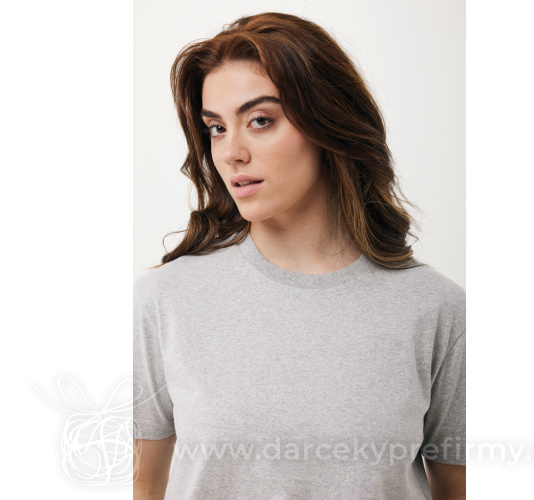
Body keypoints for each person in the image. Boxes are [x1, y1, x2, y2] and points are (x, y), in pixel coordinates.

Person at [133, 12, 466, 500]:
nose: (231, 152)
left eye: (260, 120)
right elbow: (140, 483)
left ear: (329, 121)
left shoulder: (436, 309)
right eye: (216, 128)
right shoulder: (165, 301)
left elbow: (457, 488)